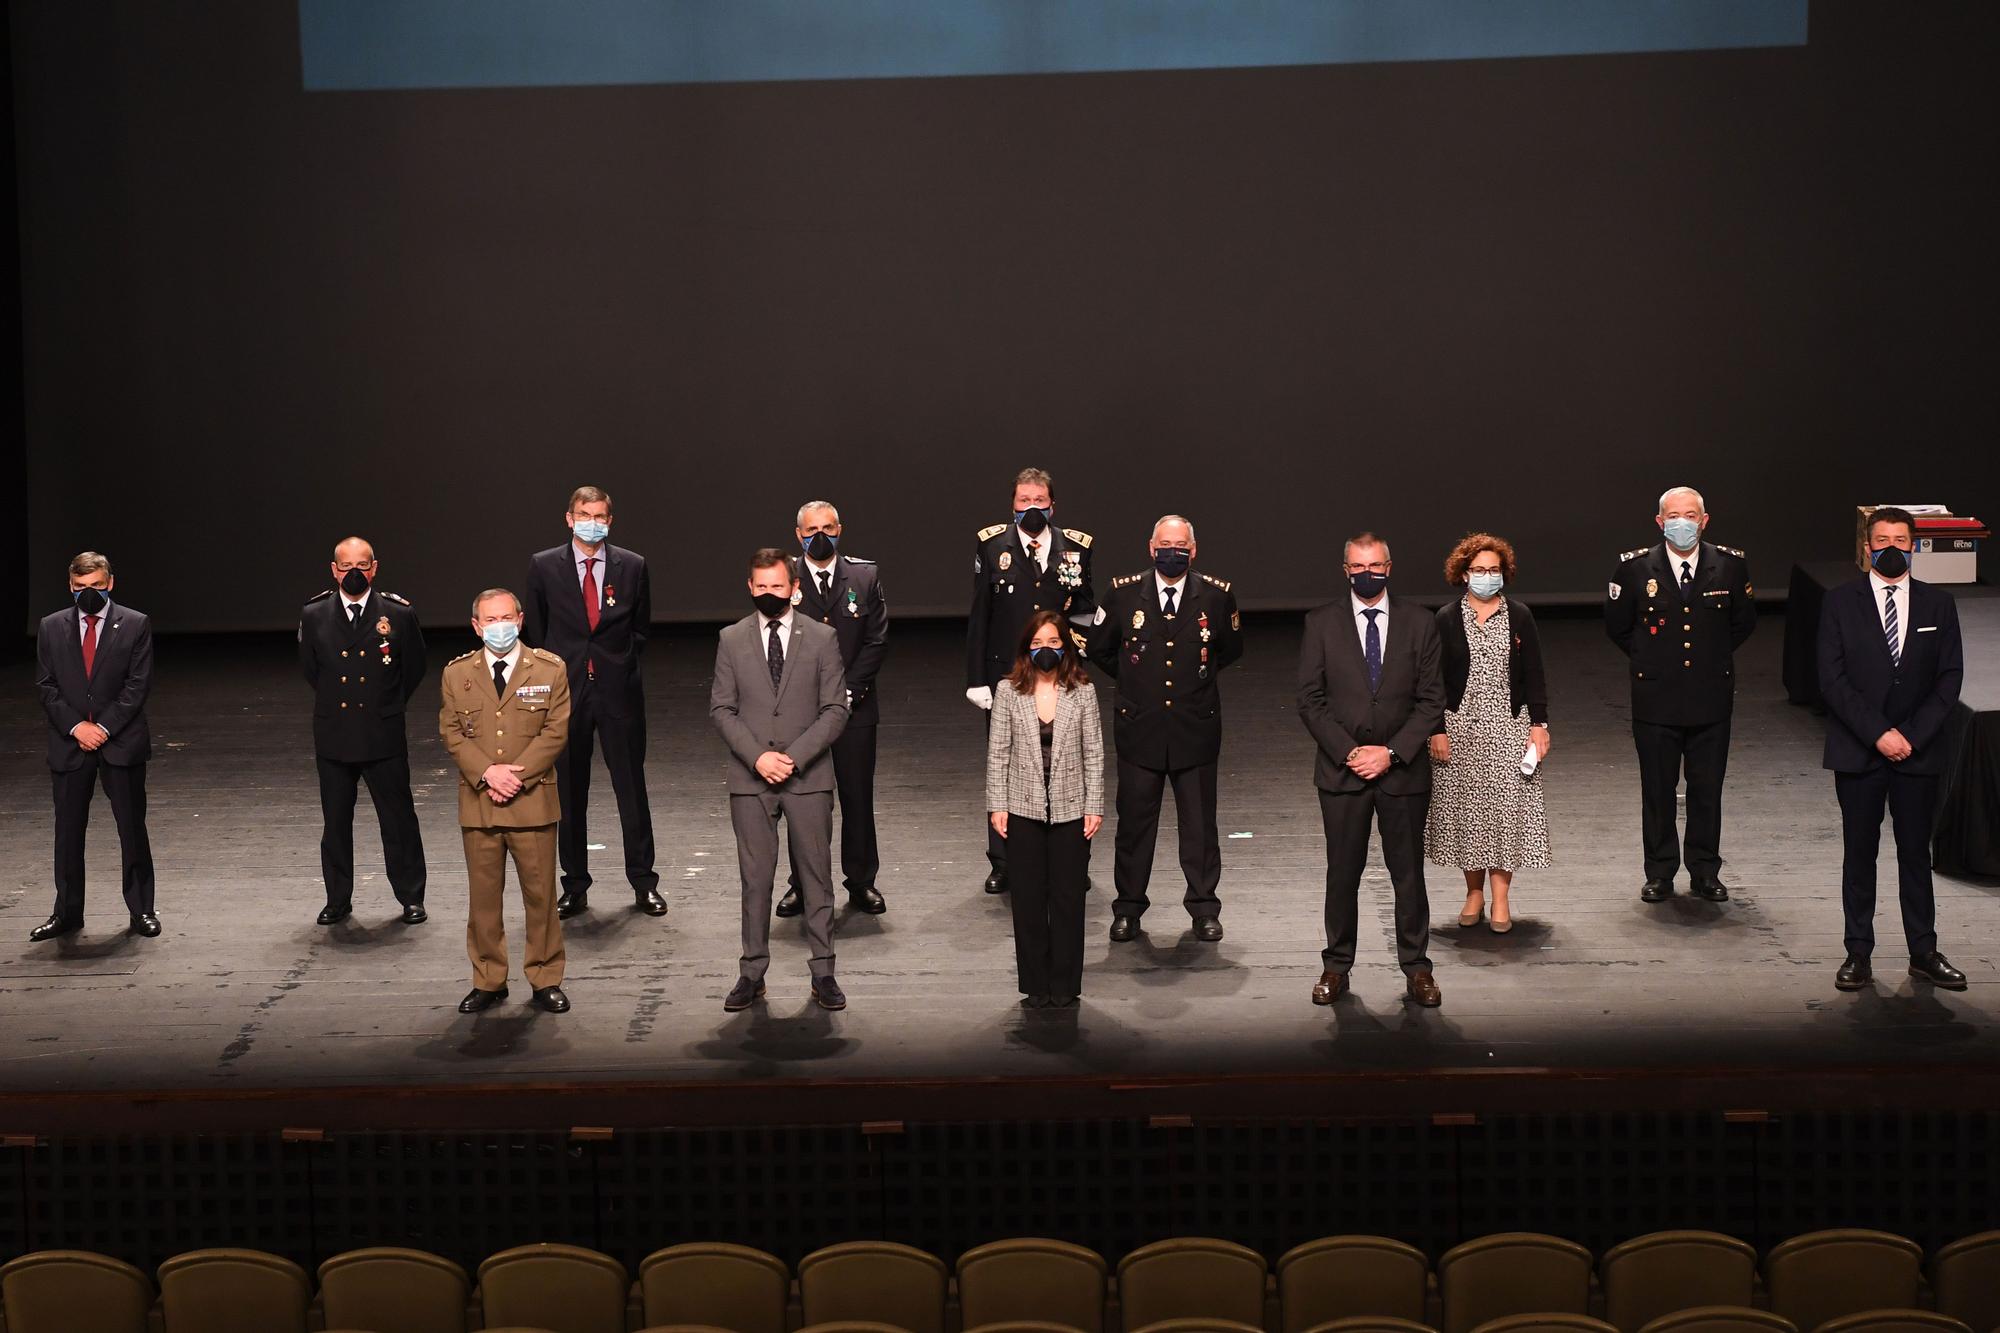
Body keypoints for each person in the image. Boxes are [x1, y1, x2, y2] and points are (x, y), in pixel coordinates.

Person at [1818, 507, 1967, 992]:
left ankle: (1923, 950)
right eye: (1881, 540)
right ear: (1867, 548)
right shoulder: (1840, 603)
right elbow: (1833, 679)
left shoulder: (1938, 605)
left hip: (1917, 753)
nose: (1891, 548)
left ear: (1913, 546)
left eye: (1901, 540)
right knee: (1859, 854)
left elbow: (1949, 679)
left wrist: (1912, 735)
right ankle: (1857, 953)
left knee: (1914, 855)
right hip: (1860, 751)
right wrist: (1878, 733)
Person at [1297, 533, 1445, 1007]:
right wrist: (1350, 752)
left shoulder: (1420, 623)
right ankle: (1336, 966)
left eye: (1376, 566)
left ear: (1389, 567)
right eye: (1359, 566)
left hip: (1403, 773)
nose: (1368, 573)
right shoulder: (1320, 623)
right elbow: (1310, 699)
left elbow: (1430, 702)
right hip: (1343, 774)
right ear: (1345, 569)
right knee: (1343, 873)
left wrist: (1392, 752)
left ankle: (1417, 968)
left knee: (1408, 874)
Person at [1087, 515, 1243, 944]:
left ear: (1193, 551)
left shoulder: (1215, 595)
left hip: (1195, 728)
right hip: (1141, 728)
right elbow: (1100, 648)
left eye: (1180, 544)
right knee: (1135, 825)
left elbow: (1228, 650)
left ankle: (1204, 907)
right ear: (1150, 547)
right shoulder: (1122, 595)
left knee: (1199, 826)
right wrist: (1137, 685)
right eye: (1164, 543)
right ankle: (1129, 908)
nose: (1171, 551)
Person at [711, 549, 852, 1013]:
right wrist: (759, 759)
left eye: (778, 586)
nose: (770, 594)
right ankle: (752, 972)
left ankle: (824, 972)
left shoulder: (823, 638)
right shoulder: (731, 639)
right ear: (750, 588)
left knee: (816, 877)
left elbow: (835, 710)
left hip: (807, 776)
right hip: (751, 780)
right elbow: (722, 709)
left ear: (795, 588)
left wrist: (790, 758)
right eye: (761, 587)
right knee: (755, 880)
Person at [1604, 486, 1755, 904]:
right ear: (1659, 521)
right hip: (1656, 700)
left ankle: (1705, 871)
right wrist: (1654, 661)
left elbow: (1742, 624)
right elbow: (1618, 627)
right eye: (1673, 515)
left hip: (1711, 699)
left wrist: (1710, 660)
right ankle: (1660, 872)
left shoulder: (1728, 566)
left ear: (1704, 521)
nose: (1682, 522)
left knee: (1707, 789)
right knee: (1657, 789)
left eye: (1690, 515)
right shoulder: (1634, 569)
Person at [523, 485, 664, 920]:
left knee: (631, 789)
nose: (592, 521)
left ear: (610, 521)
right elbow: (538, 633)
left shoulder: (632, 565)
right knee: (568, 792)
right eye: (584, 514)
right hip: (564, 696)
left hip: (617, 692)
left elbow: (639, 629)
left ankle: (644, 882)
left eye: (600, 515)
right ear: (569, 518)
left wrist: (613, 665)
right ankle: (575, 886)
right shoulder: (544, 566)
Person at [439, 589, 573, 1015]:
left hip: (531, 801)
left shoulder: (550, 669)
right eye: (489, 620)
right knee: (483, 901)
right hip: (480, 803)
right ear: (476, 626)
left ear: (520, 618)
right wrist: (487, 773)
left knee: (541, 897)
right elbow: (452, 733)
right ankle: (488, 979)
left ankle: (545, 976)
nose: (499, 626)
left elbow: (555, 731)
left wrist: (514, 777)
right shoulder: (456, 674)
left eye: (506, 617)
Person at [965, 467, 1098, 894]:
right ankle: (1004, 861)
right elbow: (980, 615)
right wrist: (977, 679)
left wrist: (1077, 665)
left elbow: (1084, 610)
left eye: (1040, 501)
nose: (1032, 508)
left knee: (1068, 762)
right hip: (1009, 675)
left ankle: (1072, 854)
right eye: (1025, 501)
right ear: (1013, 505)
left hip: (1060, 673)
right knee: (1005, 764)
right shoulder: (992, 547)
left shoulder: (1075, 548)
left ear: (1052, 506)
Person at [298, 536, 428, 927]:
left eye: (362, 564)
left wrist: (385, 703)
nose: (354, 572)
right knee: (335, 821)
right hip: (335, 734)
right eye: (346, 565)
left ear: (374, 568)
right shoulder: (315, 613)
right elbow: (312, 670)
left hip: (381, 731)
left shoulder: (398, 613)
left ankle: (411, 897)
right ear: (334, 570)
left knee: (398, 819)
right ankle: (338, 899)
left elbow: (414, 667)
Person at [1425, 534, 1551, 933]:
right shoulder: (1445, 618)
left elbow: (1534, 673)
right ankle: (1473, 892)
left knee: (1505, 812)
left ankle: (1501, 897)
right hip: (1460, 727)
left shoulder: (1520, 616)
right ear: (1464, 574)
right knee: (1467, 813)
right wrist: (1436, 729)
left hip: (1509, 725)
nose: (1486, 576)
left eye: (1493, 570)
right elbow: (1432, 680)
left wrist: (1539, 725)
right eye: (1479, 570)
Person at [31, 551, 159, 941]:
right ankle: (67, 912)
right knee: (68, 832)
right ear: (71, 586)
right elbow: (47, 686)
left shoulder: (134, 624)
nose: (90, 594)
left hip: (119, 742)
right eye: (82, 588)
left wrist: (102, 727)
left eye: (97, 587)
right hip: (71, 745)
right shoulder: (51, 627)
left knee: (131, 829)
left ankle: (142, 910)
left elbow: (137, 685)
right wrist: (76, 728)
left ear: (110, 584)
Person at [778, 500, 890, 918]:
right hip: (801, 713)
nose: (819, 536)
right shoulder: (784, 577)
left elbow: (876, 640)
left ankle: (861, 882)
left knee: (857, 796)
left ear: (840, 529)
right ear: (798, 534)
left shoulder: (864, 575)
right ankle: (802, 885)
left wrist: (847, 693)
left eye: (828, 528)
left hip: (855, 708)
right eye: (811, 530)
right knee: (802, 799)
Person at [988, 611, 1105, 1007]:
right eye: (1038, 644)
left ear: (1065, 648)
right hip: (1023, 809)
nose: (1045, 650)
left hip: (1073, 811)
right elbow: (998, 752)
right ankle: (1036, 985)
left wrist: (1095, 805)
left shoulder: (1083, 692)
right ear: (1026, 648)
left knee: (1069, 899)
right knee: (1028, 899)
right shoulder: (1008, 692)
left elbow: (1094, 753)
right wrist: (997, 804)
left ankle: (1066, 984)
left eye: (1053, 643)